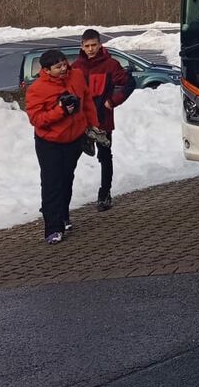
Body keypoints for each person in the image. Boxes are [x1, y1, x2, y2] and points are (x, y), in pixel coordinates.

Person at [25, 49, 99, 244]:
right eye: (58, 67)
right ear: (47, 70)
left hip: (74, 139)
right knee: (52, 183)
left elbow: (87, 101)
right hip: (50, 143)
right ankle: (53, 228)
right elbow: (36, 119)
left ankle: (63, 216)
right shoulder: (37, 89)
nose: (64, 68)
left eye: (65, 64)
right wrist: (60, 111)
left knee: (67, 179)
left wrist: (93, 126)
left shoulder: (76, 76)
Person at [71, 29, 134, 209]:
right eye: (87, 46)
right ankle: (63, 200)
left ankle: (104, 194)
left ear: (100, 44)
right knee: (71, 158)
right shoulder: (76, 67)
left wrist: (112, 101)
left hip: (103, 120)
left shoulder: (111, 65)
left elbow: (129, 83)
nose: (91, 49)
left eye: (94, 45)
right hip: (82, 122)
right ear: (82, 46)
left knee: (105, 157)